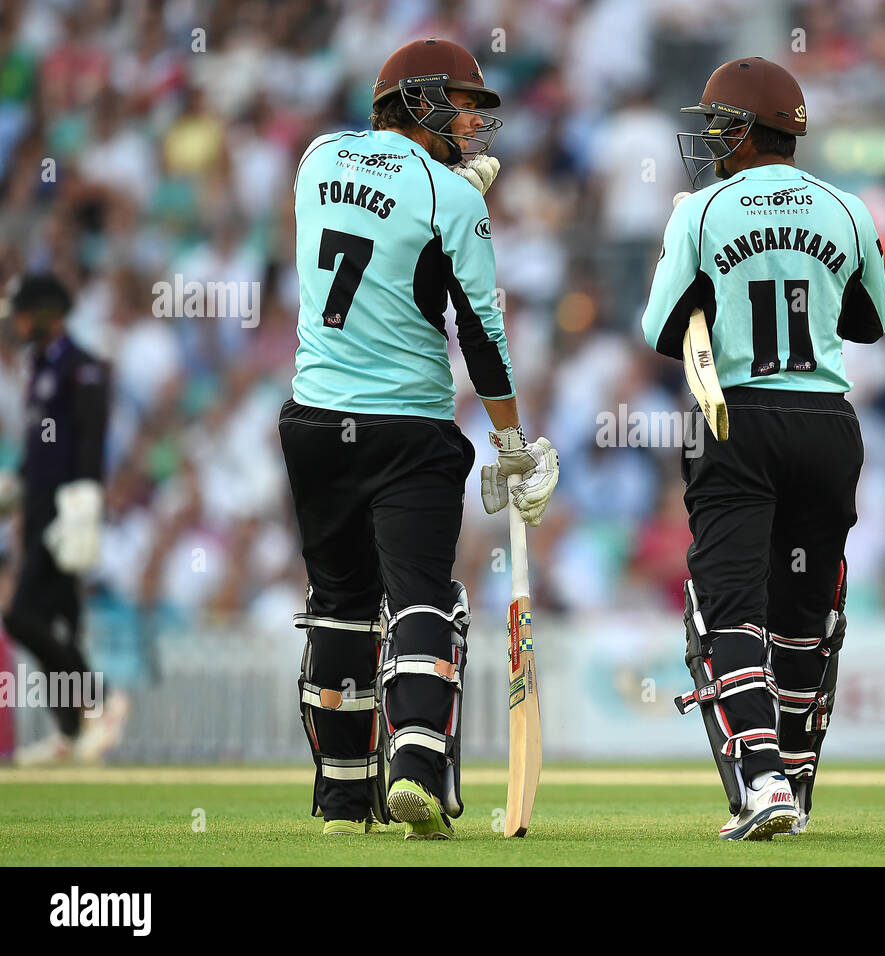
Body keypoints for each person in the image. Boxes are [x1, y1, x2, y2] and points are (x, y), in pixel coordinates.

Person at [280, 37, 558, 839]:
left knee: (338, 607)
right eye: (464, 107)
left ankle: (339, 805)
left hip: (313, 420)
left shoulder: (316, 156)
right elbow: (480, 333)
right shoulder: (453, 197)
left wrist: (443, 191)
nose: (475, 124)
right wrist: (512, 441)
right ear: (423, 102)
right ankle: (414, 768)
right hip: (408, 424)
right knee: (421, 599)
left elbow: (370, 217)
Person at [641, 57, 885, 839]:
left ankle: (762, 784)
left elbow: (658, 332)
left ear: (749, 130)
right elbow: (870, 321)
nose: (711, 140)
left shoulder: (703, 211)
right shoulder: (849, 208)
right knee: (804, 618)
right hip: (826, 422)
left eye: (720, 125)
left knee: (729, 612)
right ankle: (797, 781)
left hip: (738, 420)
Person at [2, 273, 128, 765]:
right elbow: (40, 444)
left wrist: (84, 503)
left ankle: (101, 700)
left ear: (50, 313)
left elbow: (90, 442)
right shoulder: (40, 365)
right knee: (60, 623)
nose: (18, 322)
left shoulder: (82, 366)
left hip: (65, 516)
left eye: (26, 312)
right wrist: (16, 484)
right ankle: (71, 732)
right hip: (38, 514)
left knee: (20, 617)